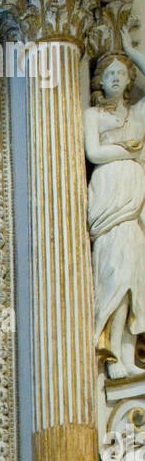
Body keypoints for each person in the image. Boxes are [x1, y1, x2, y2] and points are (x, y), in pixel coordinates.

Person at [84, 40, 145, 380]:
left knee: (135, 279)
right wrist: (130, 150)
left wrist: (133, 51)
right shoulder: (93, 115)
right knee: (115, 275)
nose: (116, 78)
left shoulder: (136, 114)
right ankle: (109, 352)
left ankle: (126, 351)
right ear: (100, 81)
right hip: (108, 201)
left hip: (133, 206)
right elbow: (94, 153)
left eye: (122, 73)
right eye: (109, 74)